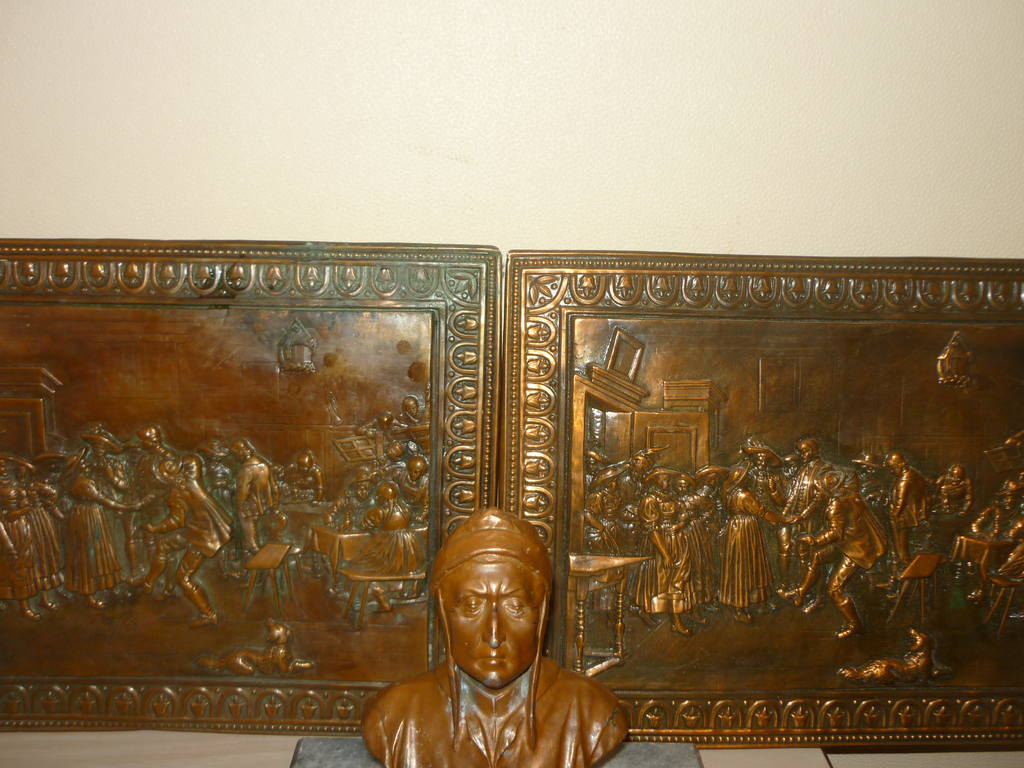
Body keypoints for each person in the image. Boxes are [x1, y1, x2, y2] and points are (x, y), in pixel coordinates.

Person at [362, 508, 627, 768]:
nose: (493, 635)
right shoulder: (394, 716)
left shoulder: (591, 712)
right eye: (471, 606)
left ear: (542, 611)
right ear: (444, 612)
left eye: (515, 607)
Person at [779, 471, 887, 637]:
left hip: (855, 549)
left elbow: (835, 532)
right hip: (849, 542)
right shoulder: (849, 495)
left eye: (819, 489)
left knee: (835, 589)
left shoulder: (836, 505)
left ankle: (855, 625)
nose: (817, 492)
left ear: (828, 489)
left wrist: (814, 540)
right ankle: (801, 592)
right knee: (817, 557)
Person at [140, 456, 232, 626]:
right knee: (163, 544)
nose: (172, 466)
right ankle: (150, 581)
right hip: (196, 529)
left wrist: (154, 528)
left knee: (183, 578)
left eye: (171, 464)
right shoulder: (187, 482)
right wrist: (177, 464)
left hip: (204, 536)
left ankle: (208, 614)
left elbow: (177, 521)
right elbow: (193, 461)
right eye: (168, 467)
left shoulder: (183, 486)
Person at [719, 465, 787, 623]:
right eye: (746, 476)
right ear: (742, 479)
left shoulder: (727, 492)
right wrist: (783, 519)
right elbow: (762, 512)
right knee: (747, 565)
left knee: (745, 565)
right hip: (746, 529)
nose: (749, 477)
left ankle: (756, 600)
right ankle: (740, 607)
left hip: (734, 528)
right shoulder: (745, 495)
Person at [232, 438, 278, 554]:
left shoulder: (246, 470)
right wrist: (274, 501)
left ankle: (251, 547)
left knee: (246, 521)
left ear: (242, 452)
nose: (235, 457)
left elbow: (242, 491)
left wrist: (238, 505)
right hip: (263, 502)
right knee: (254, 524)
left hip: (250, 503)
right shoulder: (264, 465)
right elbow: (273, 486)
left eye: (235, 454)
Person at [885, 451, 930, 568]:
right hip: (909, 514)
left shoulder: (904, 479)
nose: (892, 471)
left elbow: (900, 500)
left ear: (900, 464)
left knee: (900, 544)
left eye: (893, 467)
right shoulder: (913, 473)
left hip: (902, 516)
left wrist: (894, 514)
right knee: (903, 542)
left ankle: (903, 565)